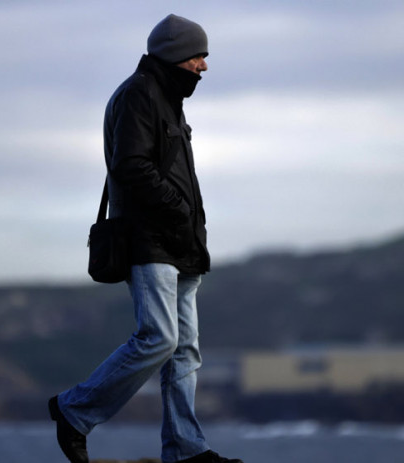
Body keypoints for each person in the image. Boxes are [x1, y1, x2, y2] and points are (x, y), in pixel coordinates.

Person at [48, 14, 243, 463]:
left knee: (184, 351)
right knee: (158, 339)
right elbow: (131, 167)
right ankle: (74, 411)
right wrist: (177, 210)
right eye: (199, 56)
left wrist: (190, 225)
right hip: (151, 240)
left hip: (181, 244)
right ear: (175, 55)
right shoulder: (139, 95)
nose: (204, 66)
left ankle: (186, 452)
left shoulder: (167, 97)